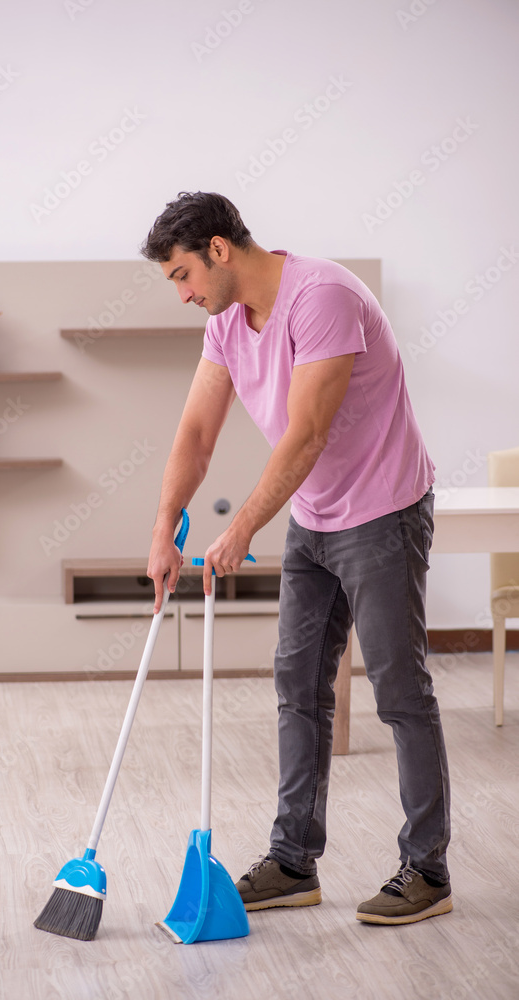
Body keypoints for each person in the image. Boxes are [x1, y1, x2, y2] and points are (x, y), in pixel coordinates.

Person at [141, 191, 452, 925]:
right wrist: (164, 526)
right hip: (314, 517)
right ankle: (292, 862)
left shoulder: (323, 297)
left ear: (219, 250)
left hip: (383, 511)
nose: (183, 294)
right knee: (299, 685)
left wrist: (243, 526)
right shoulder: (227, 324)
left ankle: (428, 870)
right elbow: (197, 433)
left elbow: (308, 432)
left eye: (183, 275)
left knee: (399, 690)